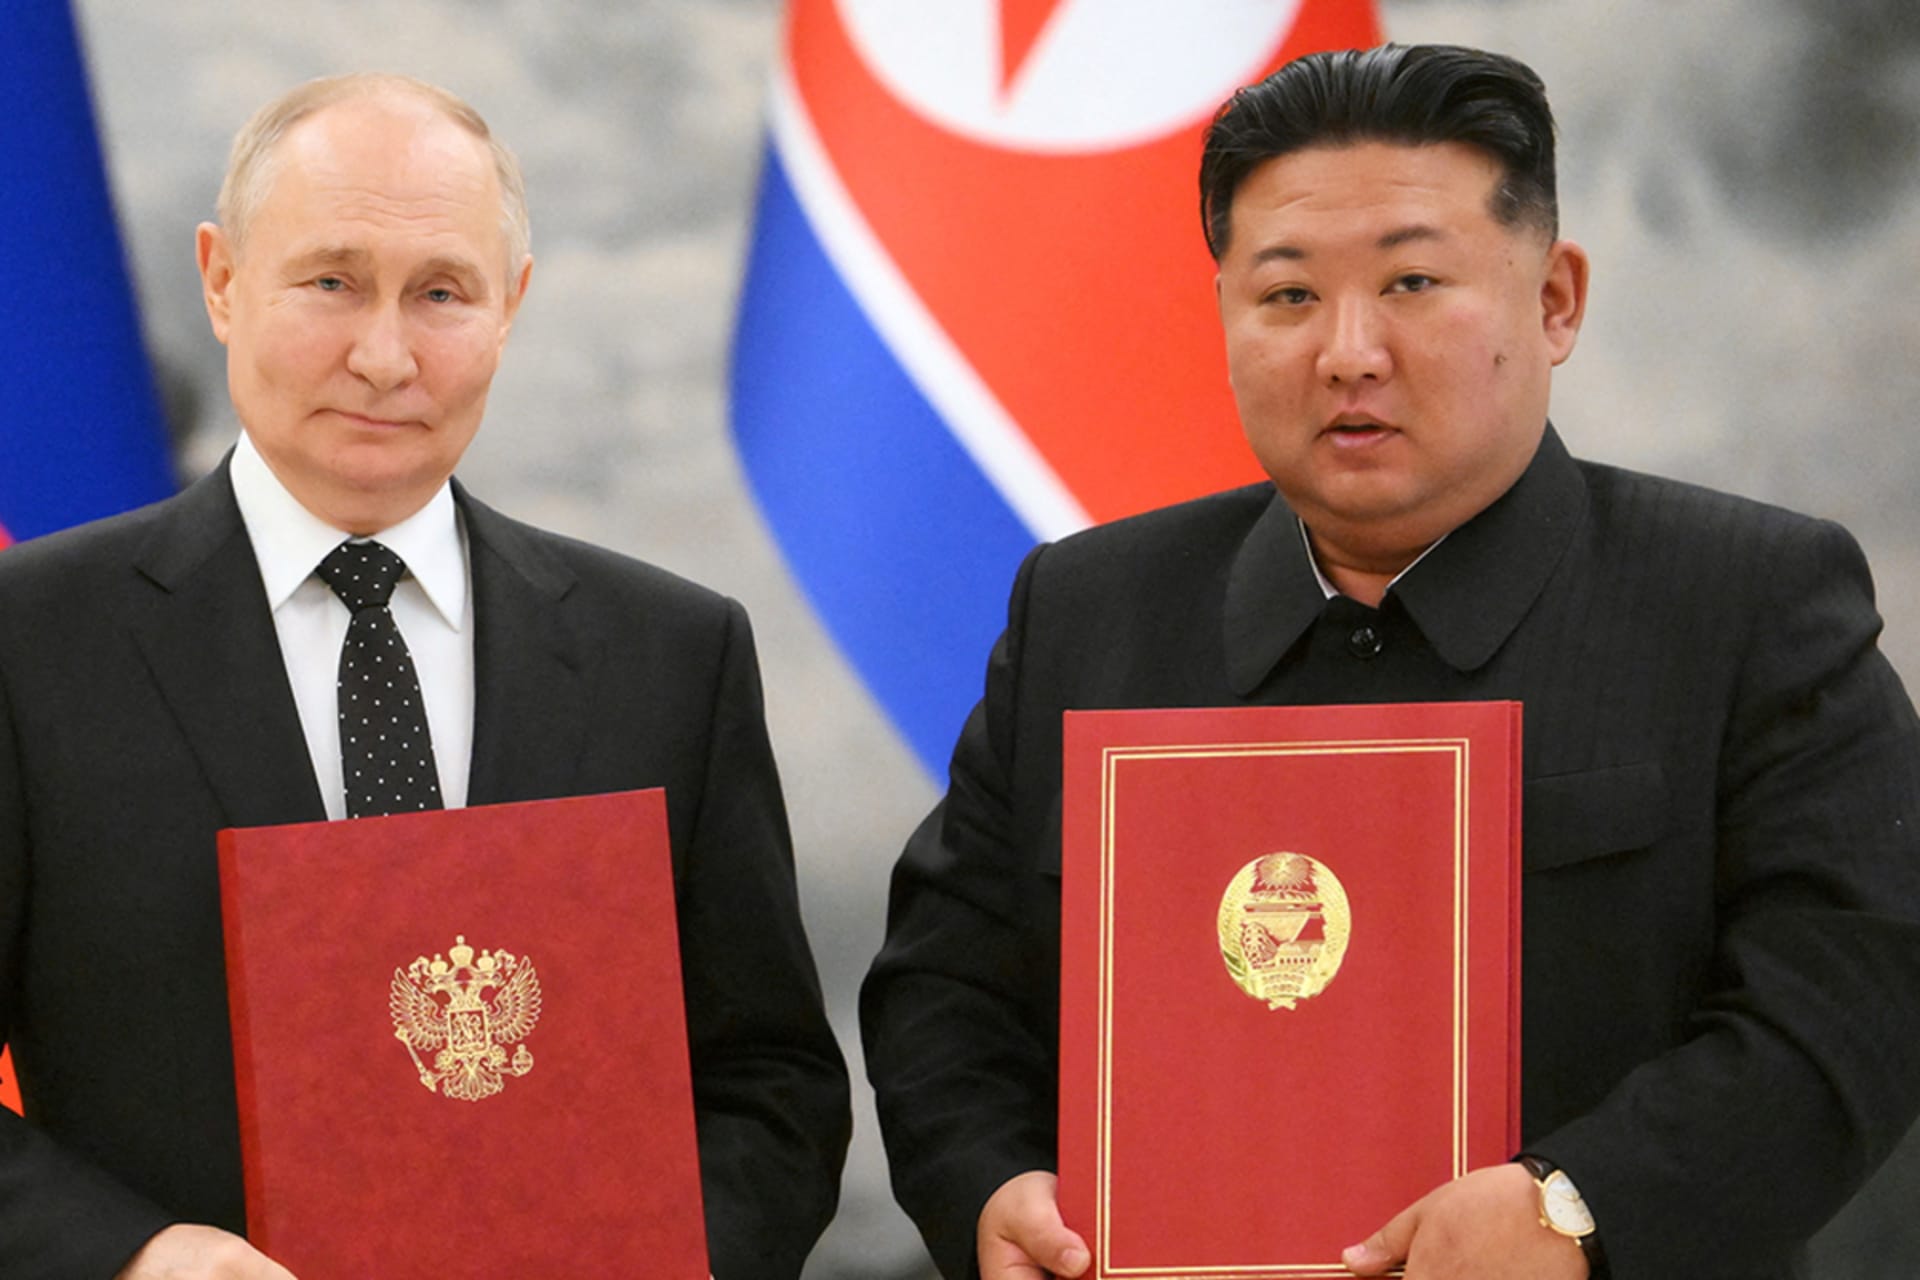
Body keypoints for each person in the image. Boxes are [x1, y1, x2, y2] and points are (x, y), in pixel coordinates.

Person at [860, 42, 1920, 1280]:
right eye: (1289, 295)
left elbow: (1855, 993)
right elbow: (943, 986)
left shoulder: (1745, 599)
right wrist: (988, 1184)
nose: (1348, 350)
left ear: (1556, 299)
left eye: (1414, 281)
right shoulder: (1089, 610)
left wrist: (1584, 1208)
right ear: (1225, 316)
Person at [0, 73, 849, 1279]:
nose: (386, 354)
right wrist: (133, 1255)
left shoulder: (669, 655)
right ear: (223, 280)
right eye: (333, 282)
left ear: (512, 306)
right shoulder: (30, 646)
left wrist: (660, 1256)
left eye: (441, 293)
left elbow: (772, 1081)